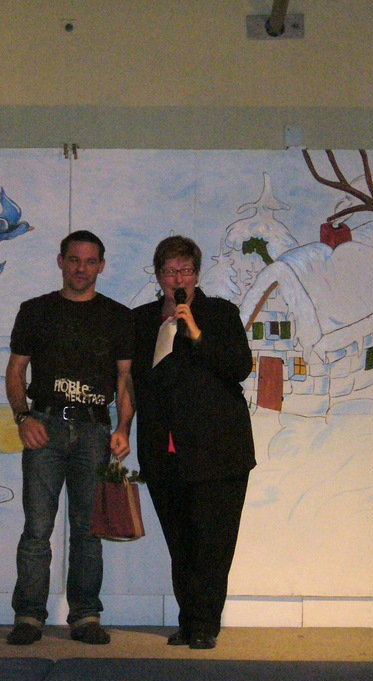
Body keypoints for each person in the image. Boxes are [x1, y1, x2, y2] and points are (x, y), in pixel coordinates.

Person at [5, 230, 134, 646]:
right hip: (44, 426)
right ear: (61, 261)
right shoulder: (35, 311)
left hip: (95, 431)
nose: (81, 268)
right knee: (37, 528)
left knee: (88, 530)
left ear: (101, 265)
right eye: (74, 260)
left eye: (90, 261)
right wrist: (23, 417)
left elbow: (125, 379)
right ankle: (28, 616)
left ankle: (85, 616)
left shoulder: (118, 316)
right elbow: (15, 371)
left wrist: (123, 427)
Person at [131, 235, 255, 649]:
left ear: (197, 275)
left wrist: (196, 332)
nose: (177, 278)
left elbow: (238, 367)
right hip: (164, 451)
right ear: (158, 276)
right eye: (169, 271)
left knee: (212, 542)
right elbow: (132, 382)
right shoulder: (142, 320)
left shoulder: (220, 313)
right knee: (181, 542)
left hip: (219, 451)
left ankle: (205, 624)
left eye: (184, 270)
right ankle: (189, 621)